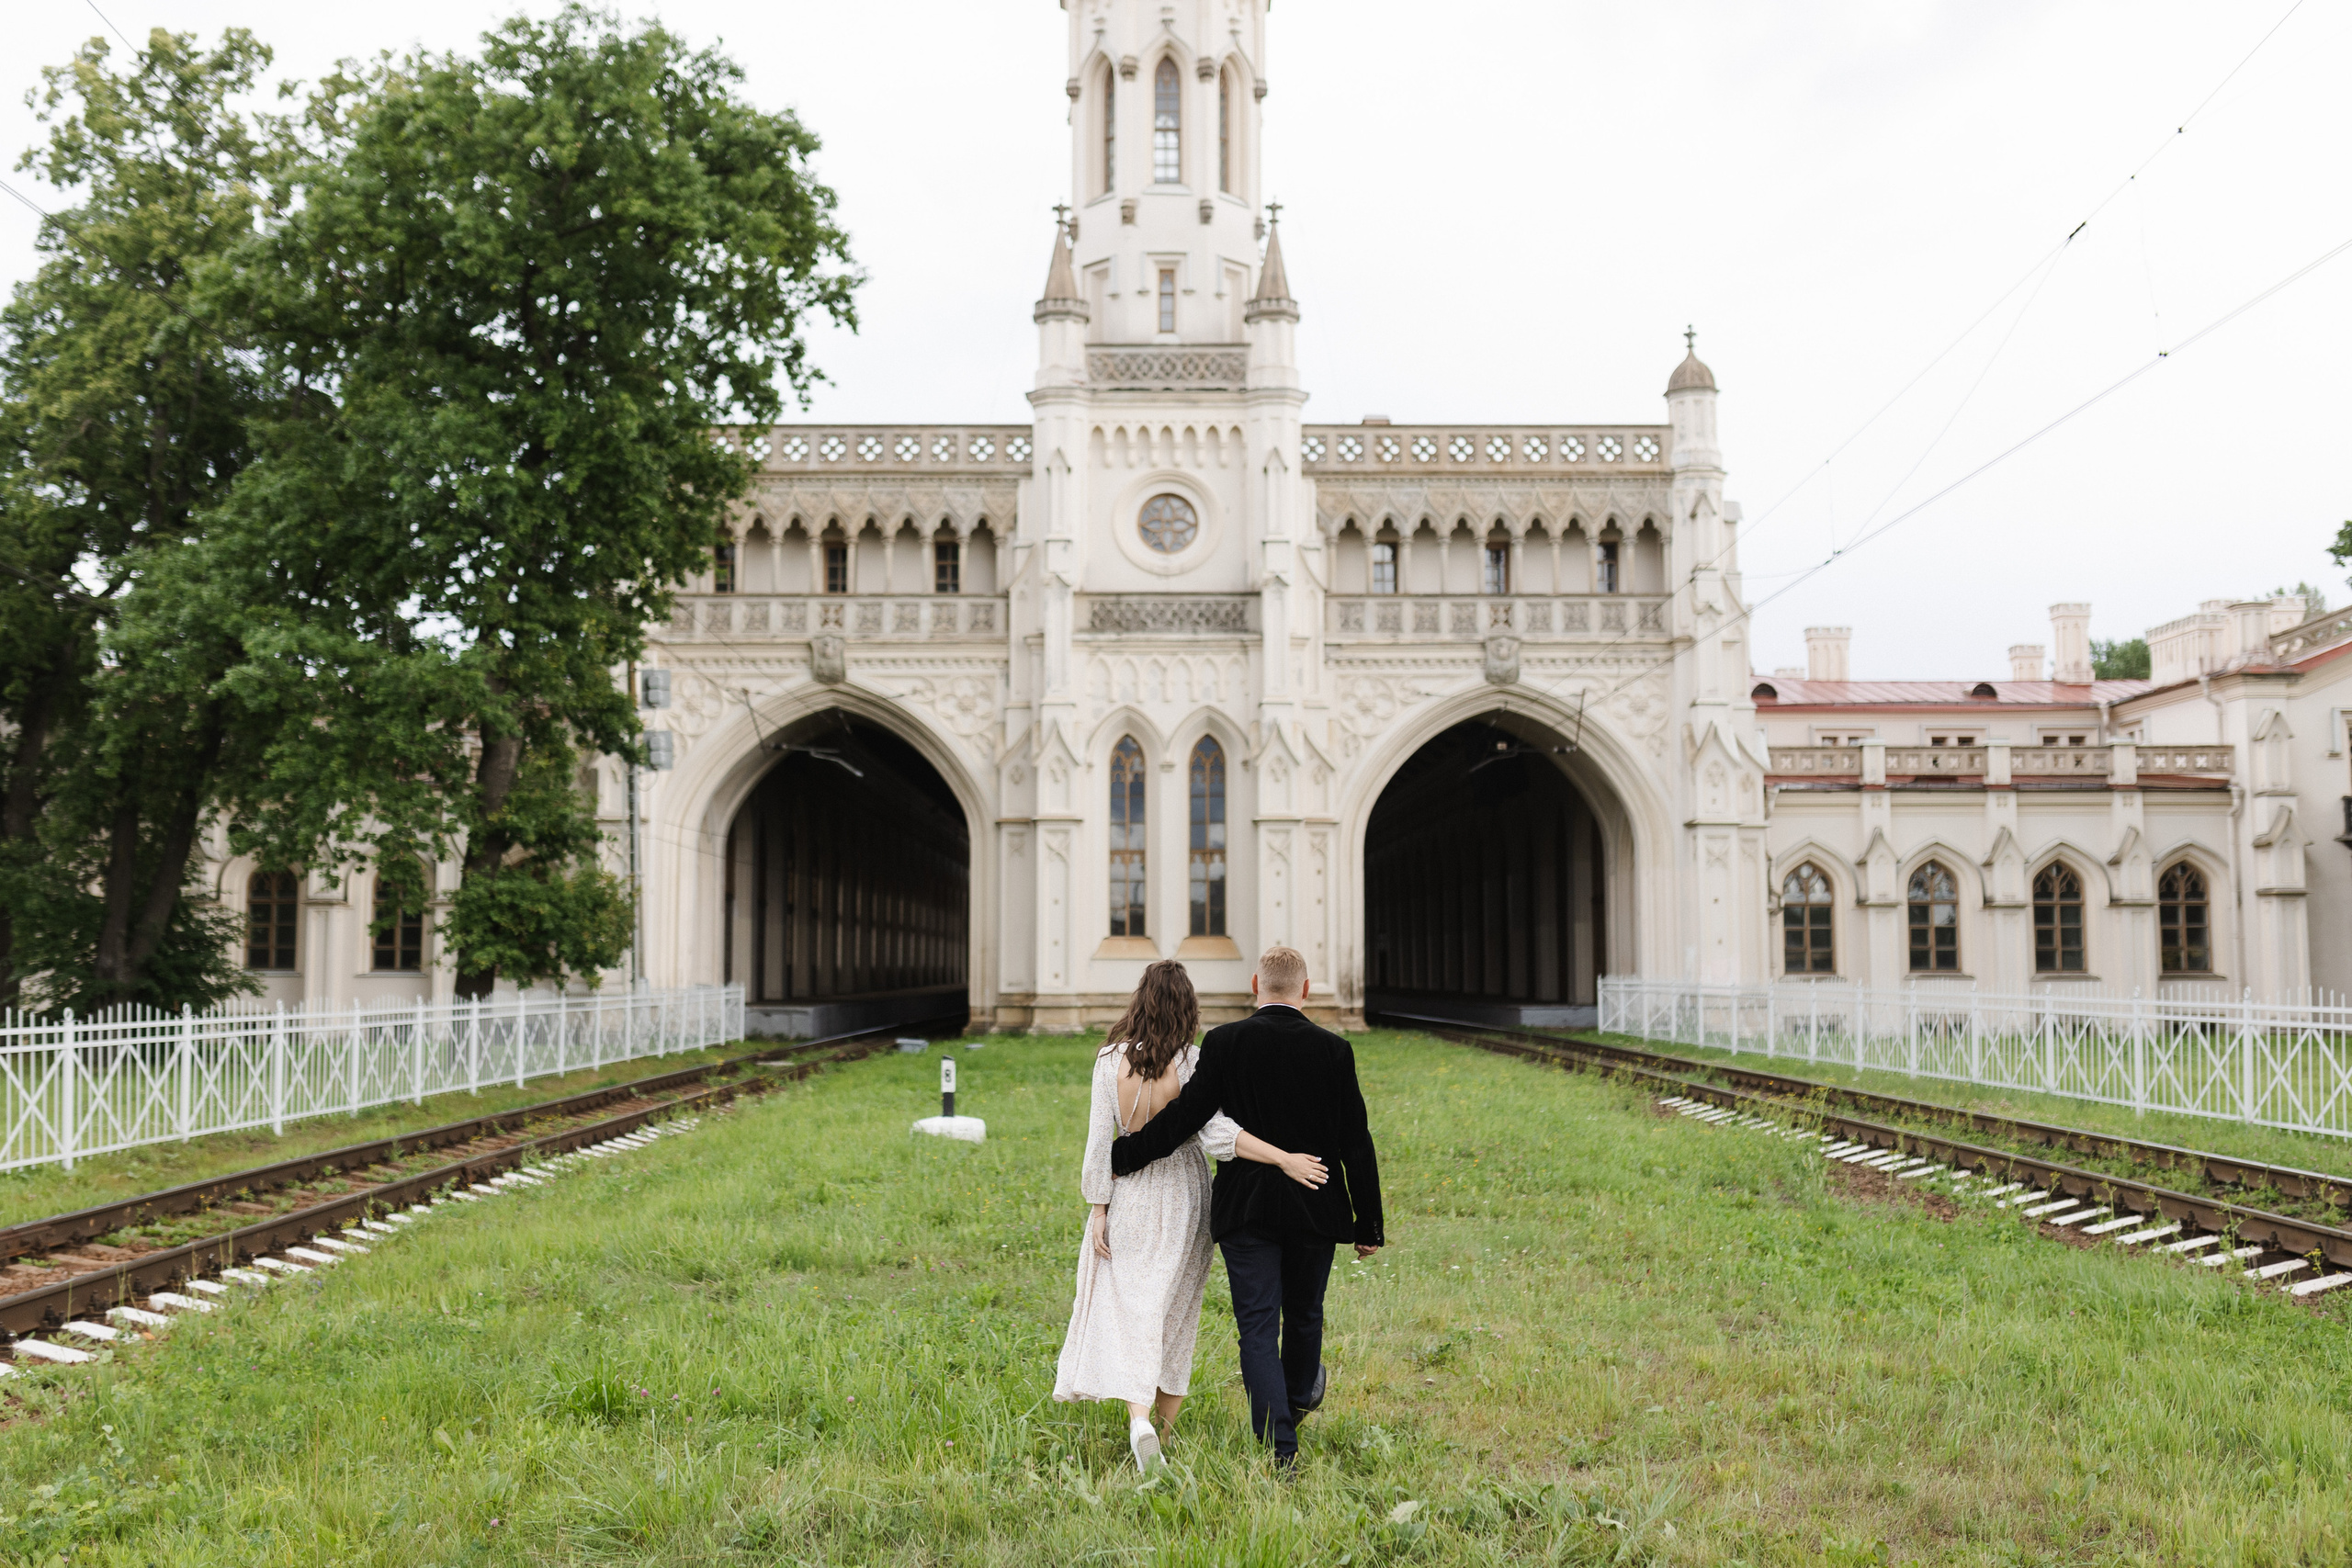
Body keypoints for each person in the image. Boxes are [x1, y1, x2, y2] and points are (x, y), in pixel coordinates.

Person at [1109, 945, 1384, 1470]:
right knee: (1305, 1316)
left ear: (1256, 984)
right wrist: (1367, 1221)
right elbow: (1356, 1141)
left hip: (1246, 1212)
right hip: (1315, 1205)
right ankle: (1299, 1397)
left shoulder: (1226, 1042)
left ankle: (1280, 1448)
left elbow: (1187, 1115)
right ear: (1304, 990)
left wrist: (1125, 1154)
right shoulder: (1335, 1050)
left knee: (1257, 1326)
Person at [1053, 959, 1329, 1472]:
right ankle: (1165, 1431)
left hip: (1129, 1192)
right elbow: (1217, 1137)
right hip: (1184, 1193)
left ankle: (1139, 1423)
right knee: (1176, 1311)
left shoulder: (1108, 1059)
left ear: (1140, 999)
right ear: (1187, 1006)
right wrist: (1283, 1157)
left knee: (1134, 1305)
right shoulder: (1192, 1062)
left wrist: (1098, 1205)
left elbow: (1099, 1143)